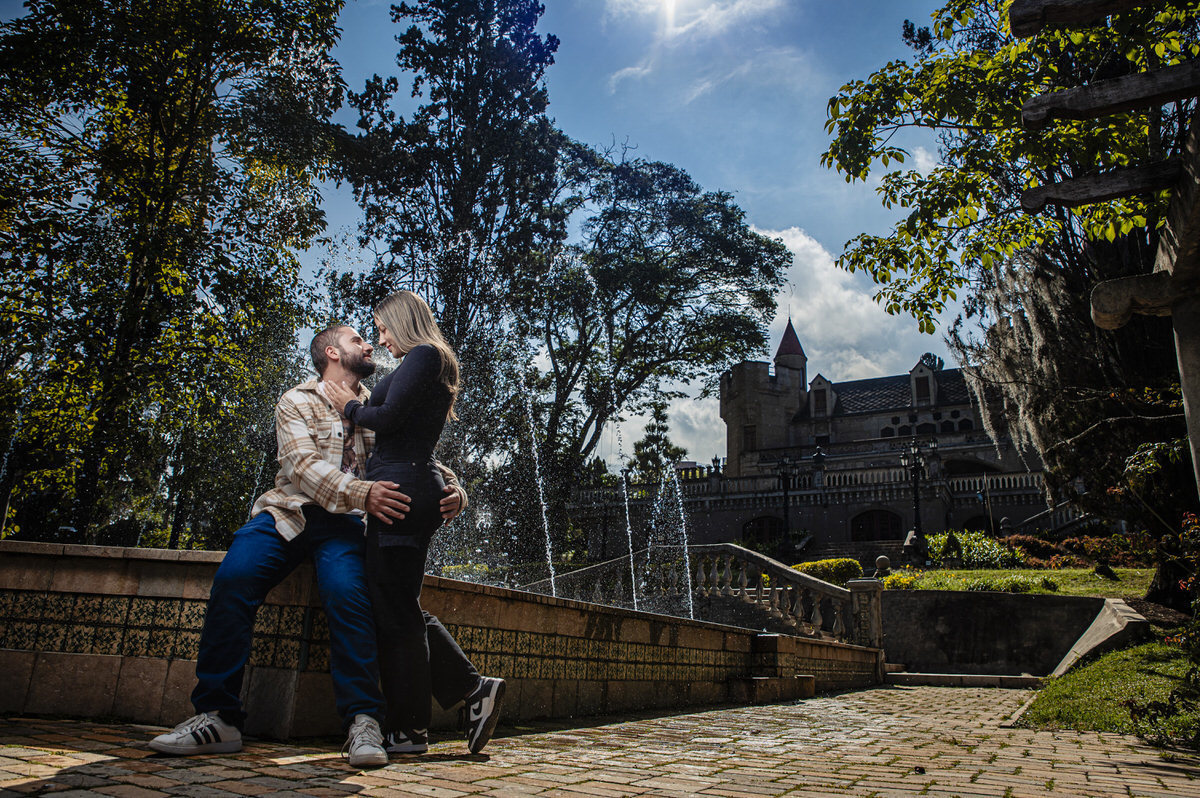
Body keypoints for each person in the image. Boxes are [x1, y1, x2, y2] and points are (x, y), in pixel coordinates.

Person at [147, 325, 471, 766]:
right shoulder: (296, 400)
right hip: (287, 514)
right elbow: (301, 465)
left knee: (350, 598)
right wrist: (363, 493)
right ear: (333, 352)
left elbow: (417, 452)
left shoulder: (377, 405)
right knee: (233, 580)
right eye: (359, 339)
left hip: (345, 526)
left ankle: (363, 721)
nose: (370, 344)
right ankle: (218, 717)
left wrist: (454, 489)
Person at [325, 291, 505, 757]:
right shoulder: (423, 362)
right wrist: (453, 484)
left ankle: (411, 727)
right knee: (398, 605)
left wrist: (348, 405)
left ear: (403, 322)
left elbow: (389, 418)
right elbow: (412, 437)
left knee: (397, 612)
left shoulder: (425, 355)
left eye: (383, 329)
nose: (381, 340)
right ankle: (470, 691)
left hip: (400, 497)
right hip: (404, 489)